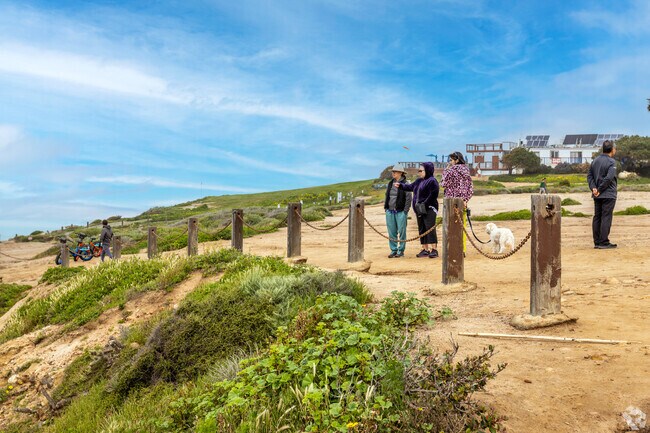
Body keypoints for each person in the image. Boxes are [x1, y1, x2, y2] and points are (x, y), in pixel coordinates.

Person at [395, 162, 440, 258]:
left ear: (427, 170)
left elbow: (433, 195)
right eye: (418, 170)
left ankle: (434, 249)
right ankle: (425, 249)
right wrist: (401, 186)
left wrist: (425, 204)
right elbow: (410, 187)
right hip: (419, 209)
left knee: (430, 227)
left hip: (430, 209)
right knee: (422, 228)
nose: (419, 172)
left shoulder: (432, 181)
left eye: (421, 170)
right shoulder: (419, 181)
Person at [587, 140, 618, 249]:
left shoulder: (595, 160)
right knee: (606, 217)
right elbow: (609, 178)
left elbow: (589, 176)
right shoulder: (611, 162)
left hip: (597, 194)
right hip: (608, 194)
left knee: (597, 217)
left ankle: (597, 242)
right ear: (612, 149)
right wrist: (599, 189)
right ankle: (604, 242)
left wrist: (594, 188)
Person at [441, 152, 474, 253]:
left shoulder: (451, 171)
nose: (449, 162)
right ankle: (462, 249)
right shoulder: (466, 171)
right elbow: (471, 189)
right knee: (461, 226)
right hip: (462, 202)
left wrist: (445, 171)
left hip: (451, 202)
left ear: (457, 160)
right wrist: (465, 200)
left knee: (450, 227)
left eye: (451, 160)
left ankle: (453, 249)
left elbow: (443, 183)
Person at [384, 163, 412, 258]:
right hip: (390, 211)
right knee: (391, 232)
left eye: (395, 172)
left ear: (400, 173)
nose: (393, 173)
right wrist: (386, 208)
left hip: (401, 212)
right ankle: (393, 250)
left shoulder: (405, 184)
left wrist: (405, 211)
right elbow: (387, 196)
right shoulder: (390, 183)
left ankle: (401, 250)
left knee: (402, 231)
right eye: (393, 172)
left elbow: (409, 198)